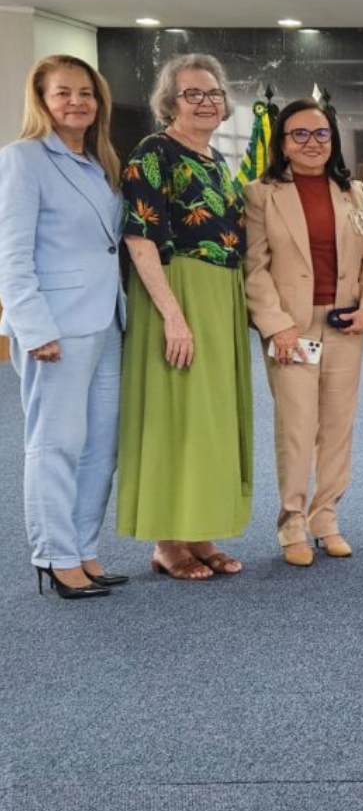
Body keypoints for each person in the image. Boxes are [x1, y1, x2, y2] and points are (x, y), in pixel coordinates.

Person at [116, 53, 253, 578]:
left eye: (213, 93)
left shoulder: (215, 158)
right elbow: (140, 237)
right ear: (169, 102)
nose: (205, 102)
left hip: (220, 294)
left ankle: (198, 531)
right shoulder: (154, 152)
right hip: (177, 292)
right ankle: (167, 541)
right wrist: (173, 315)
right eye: (192, 93)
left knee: (207, 417)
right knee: (174, 414)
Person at [0, 56, 126, 599]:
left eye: (86, 93)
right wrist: (33, 327)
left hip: (107, 318)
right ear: (42, 100)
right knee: (56, 442)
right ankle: (54, 555)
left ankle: (83, 549)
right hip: (56, 324)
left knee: (100, 444)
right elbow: (12, 256)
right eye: (63, 93)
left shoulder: (99, 161)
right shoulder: (23, 159)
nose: (76, 102)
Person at [244, 99, 363, 566]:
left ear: (333, 140)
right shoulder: (261, 194)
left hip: (345, 326)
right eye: (299, 134)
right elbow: (254, 269)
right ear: (283, 143)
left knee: (337, 426)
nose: (311, 143)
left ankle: (325, 516)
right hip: (292, 330)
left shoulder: (353, 191)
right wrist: (277, 326)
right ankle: (292, 522)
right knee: (297, 426)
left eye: (321, 134)